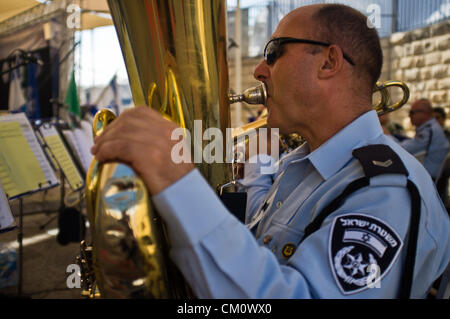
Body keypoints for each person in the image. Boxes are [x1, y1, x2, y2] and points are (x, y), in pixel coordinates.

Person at [91, 4, 449, 298]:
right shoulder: (297, 164)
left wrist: (179, 183)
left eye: (274, 52)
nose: (260, 70)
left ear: (329, 62)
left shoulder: (385, 191)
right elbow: (257, 251)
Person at [399, 99, 449, 182]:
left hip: (428, 179)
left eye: (412, 112)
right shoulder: (431, 127)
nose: (409, 116)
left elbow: (406, 149)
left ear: (424, 113)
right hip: (429, 176)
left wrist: (389, 138)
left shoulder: (429, 130)